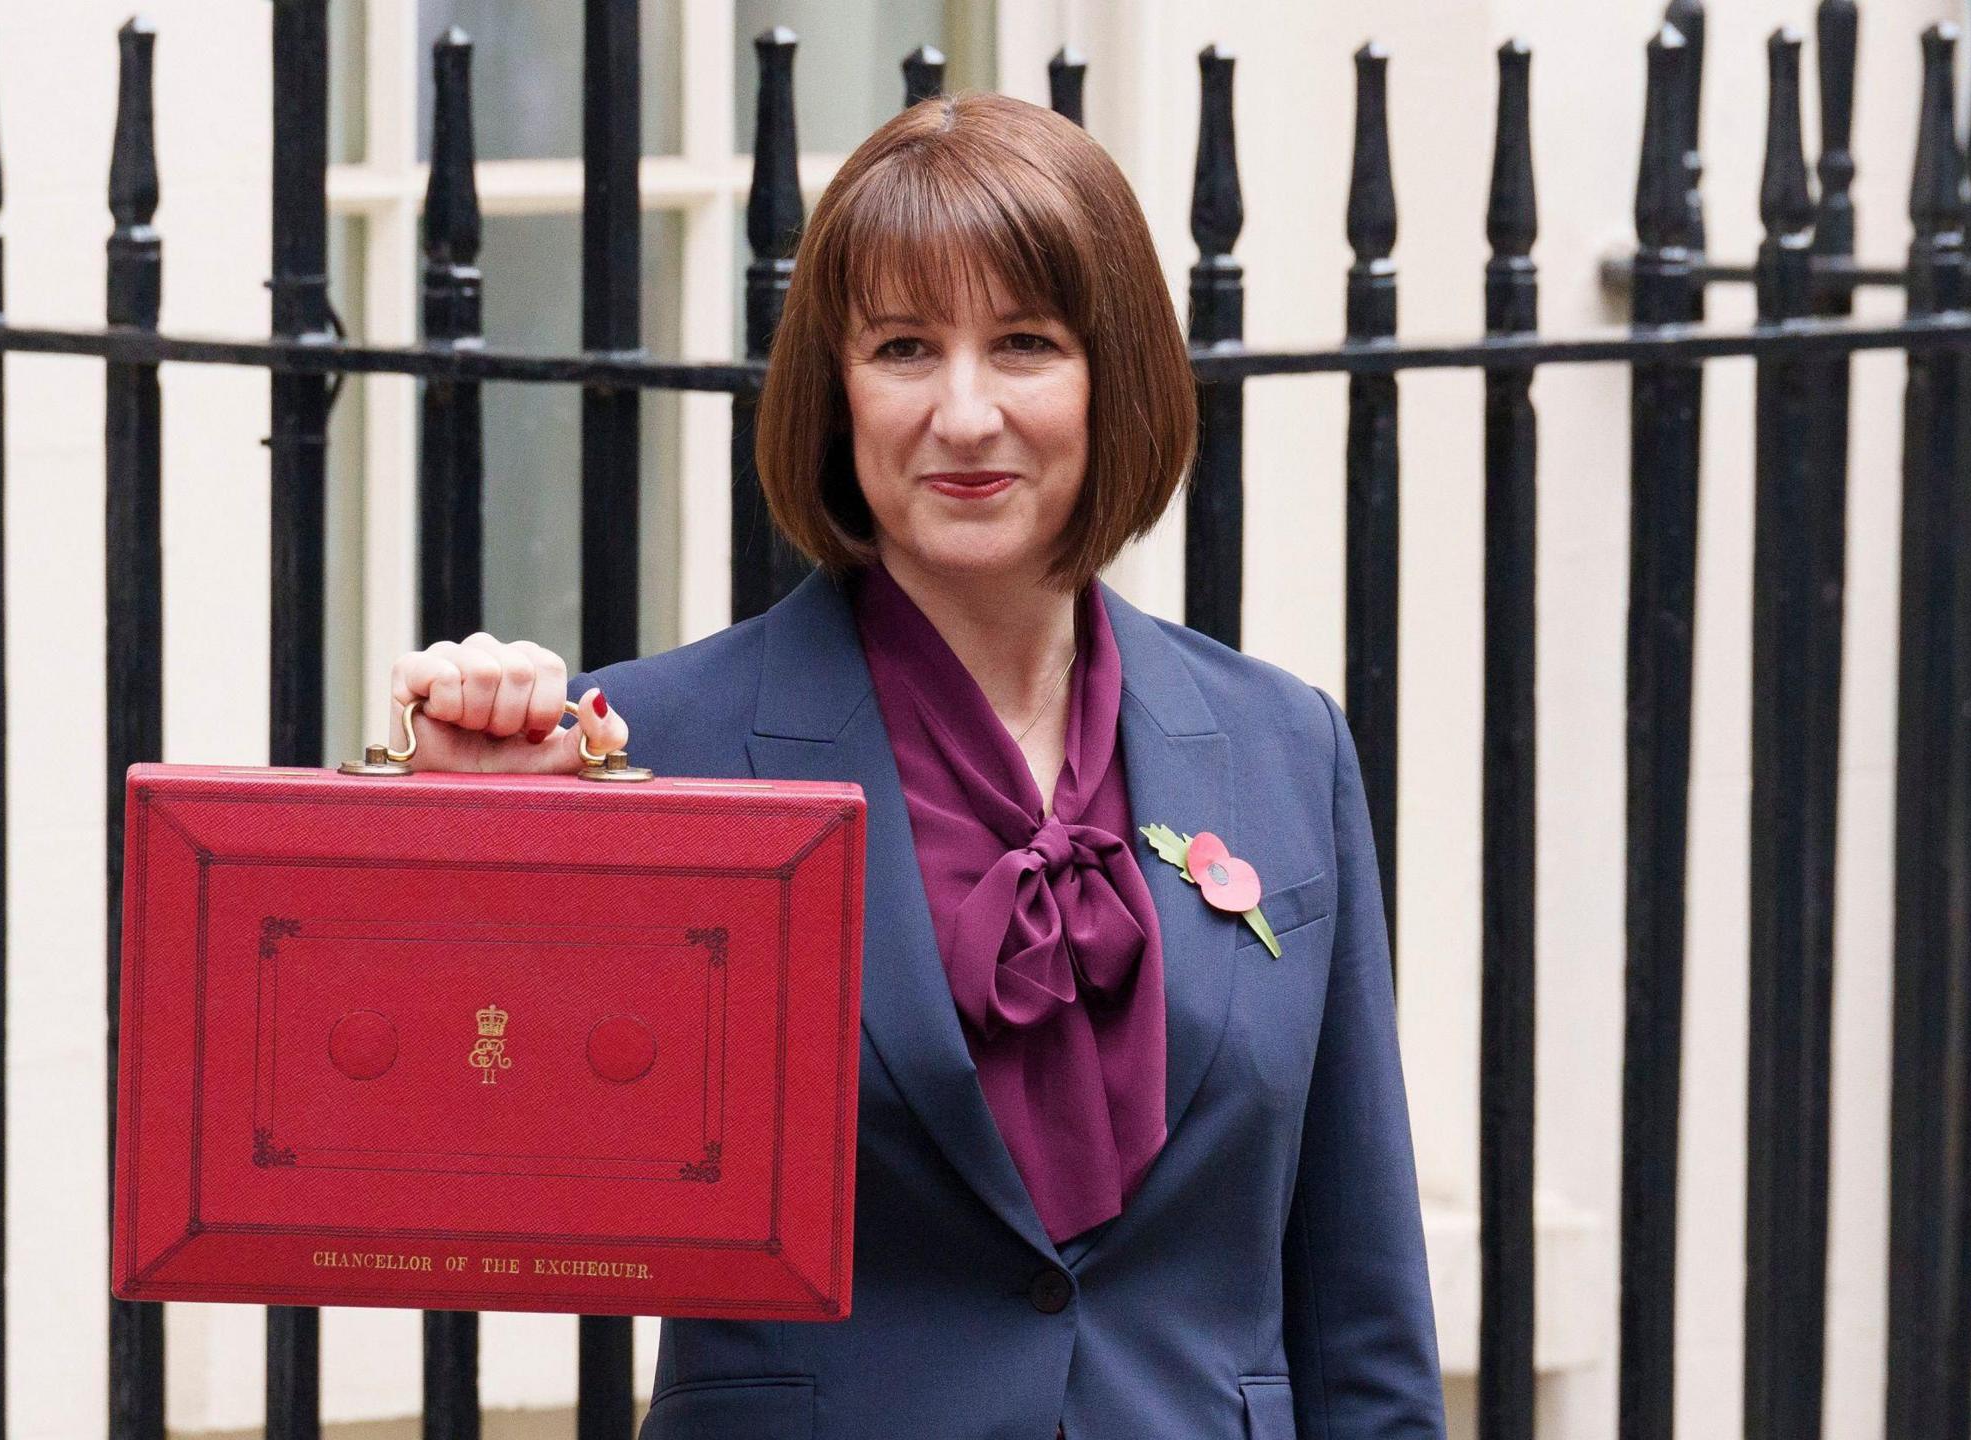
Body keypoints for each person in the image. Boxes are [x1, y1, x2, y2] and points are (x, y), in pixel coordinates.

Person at [386, 90, 1443, 1440]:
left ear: (1111, 373)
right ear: (836, 390)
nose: (963, 412)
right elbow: (434, 1135)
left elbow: (1362, 1308)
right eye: (901, 347)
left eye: (1023, 345)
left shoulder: (1287, 747)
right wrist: (458, 828)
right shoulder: (643, 753)